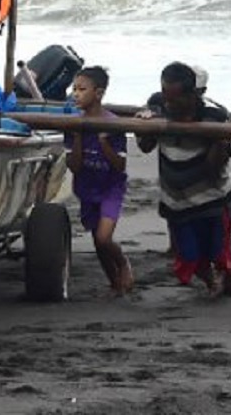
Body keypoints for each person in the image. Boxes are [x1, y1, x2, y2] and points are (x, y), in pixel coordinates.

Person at [135, 61, 231, 298]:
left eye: (176, 99)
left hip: (212, 196)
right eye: (166, 96)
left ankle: (229, 276)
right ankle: (212, 282)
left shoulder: (214, 115)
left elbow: (215, 168)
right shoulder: (157, 104)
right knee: (189, 255)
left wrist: (220, 140)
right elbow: (144, 146)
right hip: (176, 198)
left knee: (218, 251)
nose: (170, 104)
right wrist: (147, 125)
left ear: (193, 94)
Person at [64, 66, 133, 295]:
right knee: (97, 241)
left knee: (104, 238)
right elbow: (73, 166)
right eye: (74, 89)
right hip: (86, 187)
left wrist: (104, 143)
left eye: (82, 89)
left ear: (99, 93)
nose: (76, 94)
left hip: (110, 187)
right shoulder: (73, 125)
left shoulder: (113, 124)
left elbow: (120, 165)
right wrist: (78, 139)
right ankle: (113, 282)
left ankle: (123, 263)